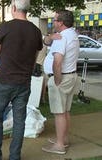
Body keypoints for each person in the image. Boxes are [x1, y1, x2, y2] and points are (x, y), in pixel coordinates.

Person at [0, 0, 43, 159]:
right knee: (19, 121)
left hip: (5, 82)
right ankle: (15, 157)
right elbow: (34, 58)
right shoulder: (35, 31)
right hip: (23, 83)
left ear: (13, 8)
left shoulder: (6, 27)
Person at [42, 10, 79, 155]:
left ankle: (59, 145)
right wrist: (50, 36)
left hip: (61, 78)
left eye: (55, 20)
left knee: (59, 112)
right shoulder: (72, 34)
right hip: (70, 76)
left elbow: (57, 62)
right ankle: (63, 139)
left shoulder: (62, 38)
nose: (53, 22)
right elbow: (46, 41)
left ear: (61, 22)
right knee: (65, 111)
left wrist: (57, 80)